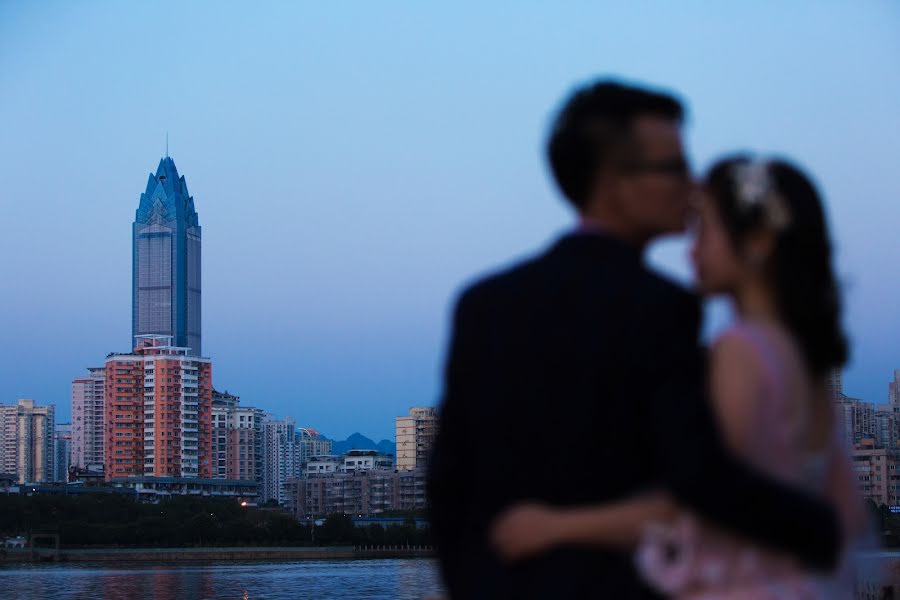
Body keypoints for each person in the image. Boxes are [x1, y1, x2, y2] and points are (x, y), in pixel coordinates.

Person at [426, 79, 844, 599]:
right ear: (615, 183)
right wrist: (820, 530)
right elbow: (696, 475)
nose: (692, 186)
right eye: (673, 168)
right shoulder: (661, 308)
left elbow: (448, 483)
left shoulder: (484, 304)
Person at [490, 155, 866, 597]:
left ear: (759, 242)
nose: (691, 250)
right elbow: (843, 515)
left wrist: (555, 526)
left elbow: (703, 498)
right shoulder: (807, 364)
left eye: (705, 229)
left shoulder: (742, 351)